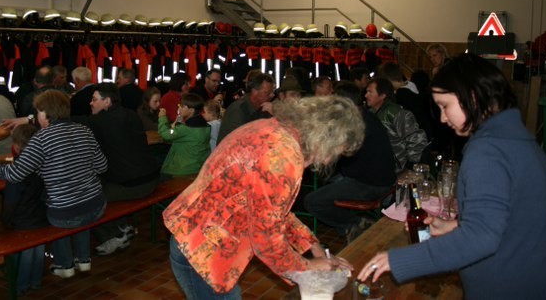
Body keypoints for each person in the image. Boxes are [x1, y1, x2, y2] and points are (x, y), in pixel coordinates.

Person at [358, 54, 546, 299]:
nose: (443, 118)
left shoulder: (488, 151)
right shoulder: (516, 139)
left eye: (445, 106)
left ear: (471, 97)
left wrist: (399, 260)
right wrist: (455, 225)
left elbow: (481, 237)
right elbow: (513, 216)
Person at [163, 96, 364, 298]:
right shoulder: (283, 156)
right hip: (200, 250)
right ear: (324, 138)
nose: (328, 160)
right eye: (334, 152)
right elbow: (266, 240)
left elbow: (273, 211)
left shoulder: (277, 129)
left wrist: (315, 248)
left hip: (196, 236)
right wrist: (310, 266)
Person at [0, 90, 107, 279]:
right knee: (80, 207)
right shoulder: (84, 131)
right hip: (96, 205)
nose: (37, 116)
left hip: (65, 214)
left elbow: (15, 174)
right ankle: (84, 259)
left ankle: (64, 264)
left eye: (38, 112)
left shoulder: (41, 139)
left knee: (60, 210)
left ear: (46, 113)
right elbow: (102, 166)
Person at [74, 83, 161, 256]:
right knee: (105, 182)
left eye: (94, 100)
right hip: (151, 177)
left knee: (85, 198)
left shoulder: (101, 121)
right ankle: (122, 225)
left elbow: (72, 122)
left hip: (135, 185)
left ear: (107, 101)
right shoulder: (131, 114)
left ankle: (112, 235)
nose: (91, 103)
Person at [304, 82, 396, 237]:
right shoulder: (366, 116)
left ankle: (356, 225)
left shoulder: (355, 124)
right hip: (381, 179)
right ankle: (350, 227)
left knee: (312, 201)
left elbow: (332, 152)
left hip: (371, 185)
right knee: (327, 178)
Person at [1, 123, 47, 296]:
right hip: (41, 215)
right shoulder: (44, 163)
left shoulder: (16, 172)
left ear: (16, 147)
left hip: (23, 220)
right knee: (38, 250)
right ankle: (35, 281)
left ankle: (20, 285)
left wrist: (5, 219)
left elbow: (11, 201)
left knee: (24, 253)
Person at [365, 77, 428, 173]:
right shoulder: (368, 114)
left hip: (396, 171)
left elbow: (417, 140)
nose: (366, 95)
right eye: (366, 91)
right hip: (376, 169)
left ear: (382, 95)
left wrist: (409, 167)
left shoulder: (398, 114)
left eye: (370, 92)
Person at [158, 93, 210, 177]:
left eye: (182, 106)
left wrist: (162, 118)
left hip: (181, 171)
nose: (179, 109)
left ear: (191, 110)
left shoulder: (185, 129)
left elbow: (167, 134)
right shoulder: (206, 126)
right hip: (198, 168)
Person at [216, 72, 275, 144]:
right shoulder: (238, 110)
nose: (272, 95)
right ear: (254, 92)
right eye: (267, 93)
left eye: (272, 92)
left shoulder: (262, 108)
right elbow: (241, 142)